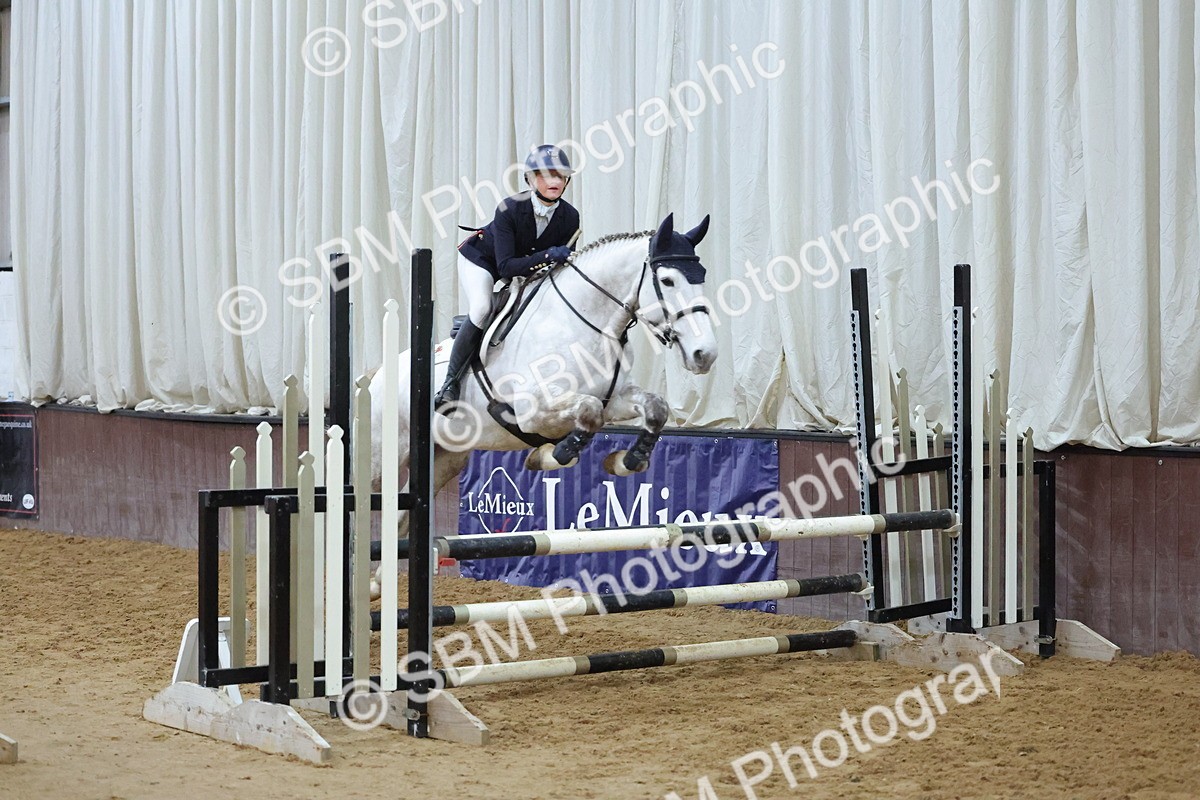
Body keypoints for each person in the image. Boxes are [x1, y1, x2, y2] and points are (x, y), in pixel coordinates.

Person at [434, 143, 581, 411]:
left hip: (525, 265)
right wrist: (549, 256)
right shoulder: (510, 208)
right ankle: (450, 385)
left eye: (560, 176)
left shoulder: (570, 217)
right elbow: (506, 268)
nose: (554, 181)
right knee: (482, 308)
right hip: (483, 261)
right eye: (546, 175)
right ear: (531, 179)